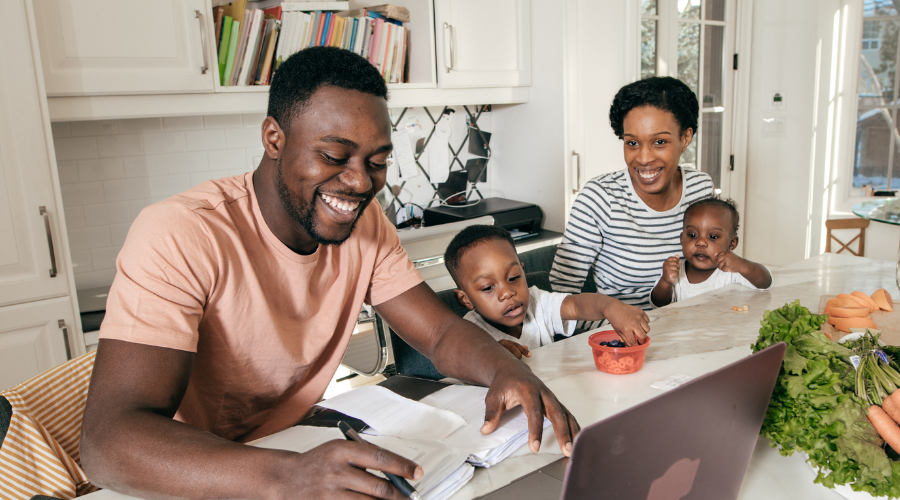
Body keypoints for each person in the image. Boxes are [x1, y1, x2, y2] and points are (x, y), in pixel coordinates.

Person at [79, 47, 579, 500]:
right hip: (192, 472)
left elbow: (443, 332)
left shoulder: (367, 225)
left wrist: (505, 370)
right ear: (274, 137)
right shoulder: (181, 233)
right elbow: (108, 442)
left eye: (377, 161)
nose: (361, 182)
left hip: (296, 447)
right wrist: (285, 476)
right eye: (334, 156)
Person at [550, 76, 714, 329]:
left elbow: (712, 271)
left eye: (660, 142)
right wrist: (611, 333)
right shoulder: (600, 198)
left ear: (685, 138)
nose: (644, 158)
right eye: (632, 143)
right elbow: (558, 302)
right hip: (621, 340)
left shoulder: (700, 189)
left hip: (691, 326)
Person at [444, 225, 649, 358]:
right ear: (465, 299)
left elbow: (576, 305)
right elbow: (462, 358)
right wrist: (489, 358)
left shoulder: (536, 302)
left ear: (523, 272)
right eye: (488, 288)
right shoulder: (469, 333)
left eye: (514, 277)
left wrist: (611, 307)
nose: (507, 293)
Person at [650, 198, 772, 307]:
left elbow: (765, 282)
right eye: (692, 235)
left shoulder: (732, 271)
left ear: (732, 243)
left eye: (713, 237)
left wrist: (741, 265)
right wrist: (665, 281)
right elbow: (659, 304)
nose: (701, 242)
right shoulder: (676, 272)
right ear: (682, 239)